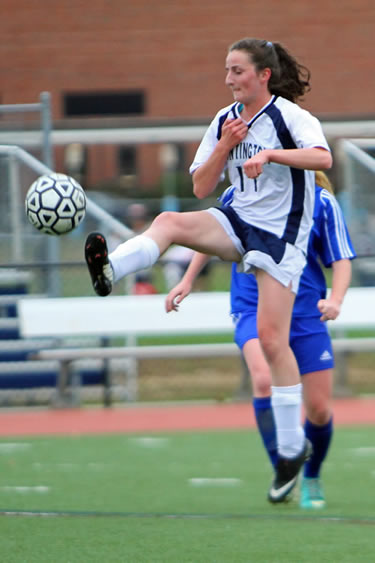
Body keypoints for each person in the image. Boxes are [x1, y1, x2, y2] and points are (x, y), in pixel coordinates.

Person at [84, 37, 332, 502]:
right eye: (226, 70)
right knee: (169, 221)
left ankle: (292, 450)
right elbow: (201, 185)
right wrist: (225, 146)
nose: (228, 79)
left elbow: (323, 158)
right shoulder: (225, 120)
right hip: (237, 222)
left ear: (263, 75)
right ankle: (110, 270)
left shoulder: (291, 117)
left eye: (237, 70)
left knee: (273, 341)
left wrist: (271, 154)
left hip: (282, 235)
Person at [165, 171, 356, 508]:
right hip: (252, 306)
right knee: (264, 379)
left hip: (304, 312)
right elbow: (209, 233)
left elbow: (340, 259)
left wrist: (336, 299)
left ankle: (310, 475)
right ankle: (284, 469)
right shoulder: (239, 194)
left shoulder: (321, 201)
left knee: (320, 411)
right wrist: (188, 279)